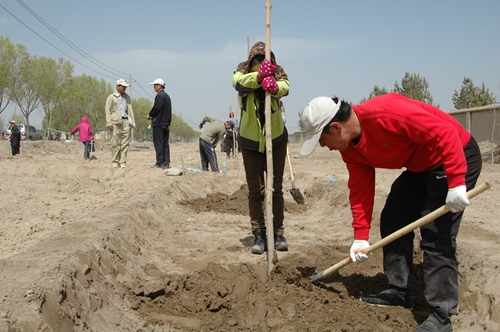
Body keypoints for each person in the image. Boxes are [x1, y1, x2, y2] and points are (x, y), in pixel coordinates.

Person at [299, 93, 482, 332]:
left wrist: (457, 181)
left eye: (322, 140)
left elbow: (444, 131)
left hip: (454, 154)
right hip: (419, 167)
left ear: (336, 128)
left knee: (436, 234)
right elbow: (360, 187)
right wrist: (360, 236)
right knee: (394, 219)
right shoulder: (350, 149)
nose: (324, 147)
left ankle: (441, 315)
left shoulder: (387, 112)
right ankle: (399, 290)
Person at [232, 41, 290, 255]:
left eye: (263, 68)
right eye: (255, 68)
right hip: (250, 142)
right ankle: (259, 233)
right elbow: (237, 82)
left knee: (275, 189)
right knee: (256, 191)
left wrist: (273, 85)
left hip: (275, 139)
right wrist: (258, 78)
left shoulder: (278, 71)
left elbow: (286, 86)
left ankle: (278, 233)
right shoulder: (241, 71)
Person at [105, 78, 136, 168]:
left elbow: (129, 110)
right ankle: (115, 161)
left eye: (125, 87)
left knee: (125, 143)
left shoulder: (127, 97)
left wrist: (131, 122)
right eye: (123, 86)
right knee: (115, 142)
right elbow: (107, 110)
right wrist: (109, 123)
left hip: (125, 121)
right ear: (118, 86)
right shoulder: (111, 98)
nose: (124, 88)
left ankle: (123, 162)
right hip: (115, 122)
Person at [147, 78, 172, 169]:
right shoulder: (167, 96)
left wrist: (150, 114)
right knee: (165, 143)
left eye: (155, 85)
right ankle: (166, 162)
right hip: (166, 123)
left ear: (160, 86)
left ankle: (160, 162)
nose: (154, 87)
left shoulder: (160, 96)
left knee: (159, 143)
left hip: (159, 123)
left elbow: (156, 108)